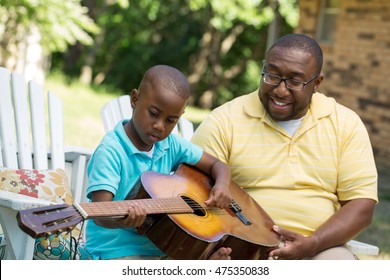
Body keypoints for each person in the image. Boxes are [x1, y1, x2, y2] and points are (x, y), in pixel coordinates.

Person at [191, 34, 378, 260]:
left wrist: (312, 244)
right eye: (272, 75)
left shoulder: (345, 124)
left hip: (318, 248)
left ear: (316, 83)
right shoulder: (224, 120)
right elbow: (190, 190)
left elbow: (362, 206)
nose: (280, 90)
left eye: (295, 82)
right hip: (236, 248)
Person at [85, 65, 232, 260]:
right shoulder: (111, 151)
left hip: (160, 247)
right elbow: (100, 213)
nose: (160, 126)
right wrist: (123, 220)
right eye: (153, 114)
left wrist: (222, 185)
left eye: (171, 120)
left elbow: (218, 165)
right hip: (114, 250)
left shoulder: (170, 144)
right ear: (135, 99)